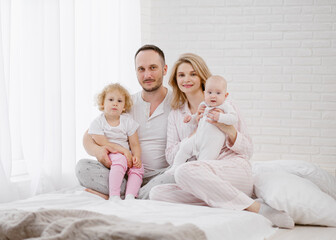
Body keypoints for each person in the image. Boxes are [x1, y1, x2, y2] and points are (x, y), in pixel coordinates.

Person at [149, 53, 295, 229]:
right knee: (157, 193)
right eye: (181, 75)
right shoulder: (176, 114)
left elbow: (248, 150)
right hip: (200, 176)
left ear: (202, 77)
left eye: (193, 74)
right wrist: (194, 132)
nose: (186, 79)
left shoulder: (226, 104)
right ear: (175, 80)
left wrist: (229, 130)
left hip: (232, 169)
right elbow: (171, 157)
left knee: (182, 172)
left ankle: (257, 208)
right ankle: (226, 201)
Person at [75, 45, 173, 199]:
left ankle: (123, 195)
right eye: (141, 69)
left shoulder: (177, 103)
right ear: (135, 72)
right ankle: (133, 194)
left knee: (179, 173)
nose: (147, 74)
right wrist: (98, 151)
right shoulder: (125, 103)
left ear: (164, 69)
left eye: (153, 67)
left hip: (159, 176)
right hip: (124, 173)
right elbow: (89, 136)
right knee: (82, 168)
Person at [165, 75, 237, 175]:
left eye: (218, 93)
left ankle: (197, 176)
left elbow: (233, 118)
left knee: (204, 162)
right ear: (204, 93)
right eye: (209, 92)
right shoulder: (203, 105)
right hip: (198, 137)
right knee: (184, 147)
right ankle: (175, 167)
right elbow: (197, 119)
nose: (213, 96)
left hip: (212, 142)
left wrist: (220, 117)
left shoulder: (225, 106)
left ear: (225, 95)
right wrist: (190, 119)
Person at [88, 83, 143, 200]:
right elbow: (104, 143)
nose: (115, 103)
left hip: (126, 155)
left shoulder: (127, 121)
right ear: (103, 103)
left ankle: (130, 195)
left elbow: (134, 144)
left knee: (139, 167)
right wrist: (124, 152)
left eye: (119, 101)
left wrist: (136, 157)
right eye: (111, 100)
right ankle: (114, 195)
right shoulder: (98, 122)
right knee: (120, 159)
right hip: (110, 154)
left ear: (124, 106)